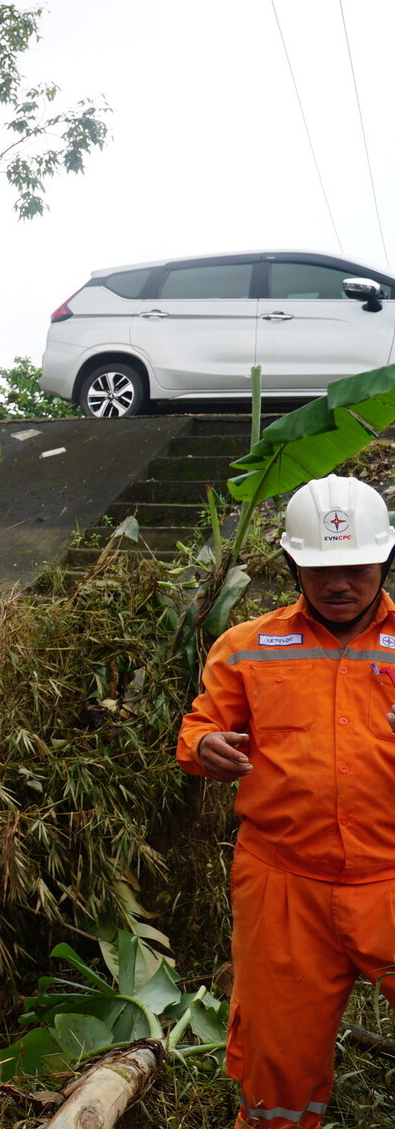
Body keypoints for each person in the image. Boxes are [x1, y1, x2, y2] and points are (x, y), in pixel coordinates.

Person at [177, 474, 395, 1129]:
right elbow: (198, 727)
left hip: (391, 875)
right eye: (322, 567)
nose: (340, 582)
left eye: (357, 567)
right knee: (278, 1072)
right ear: (292, 564)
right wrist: (207, 743)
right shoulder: (246, 647)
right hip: (282, 885)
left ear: (385, 559)